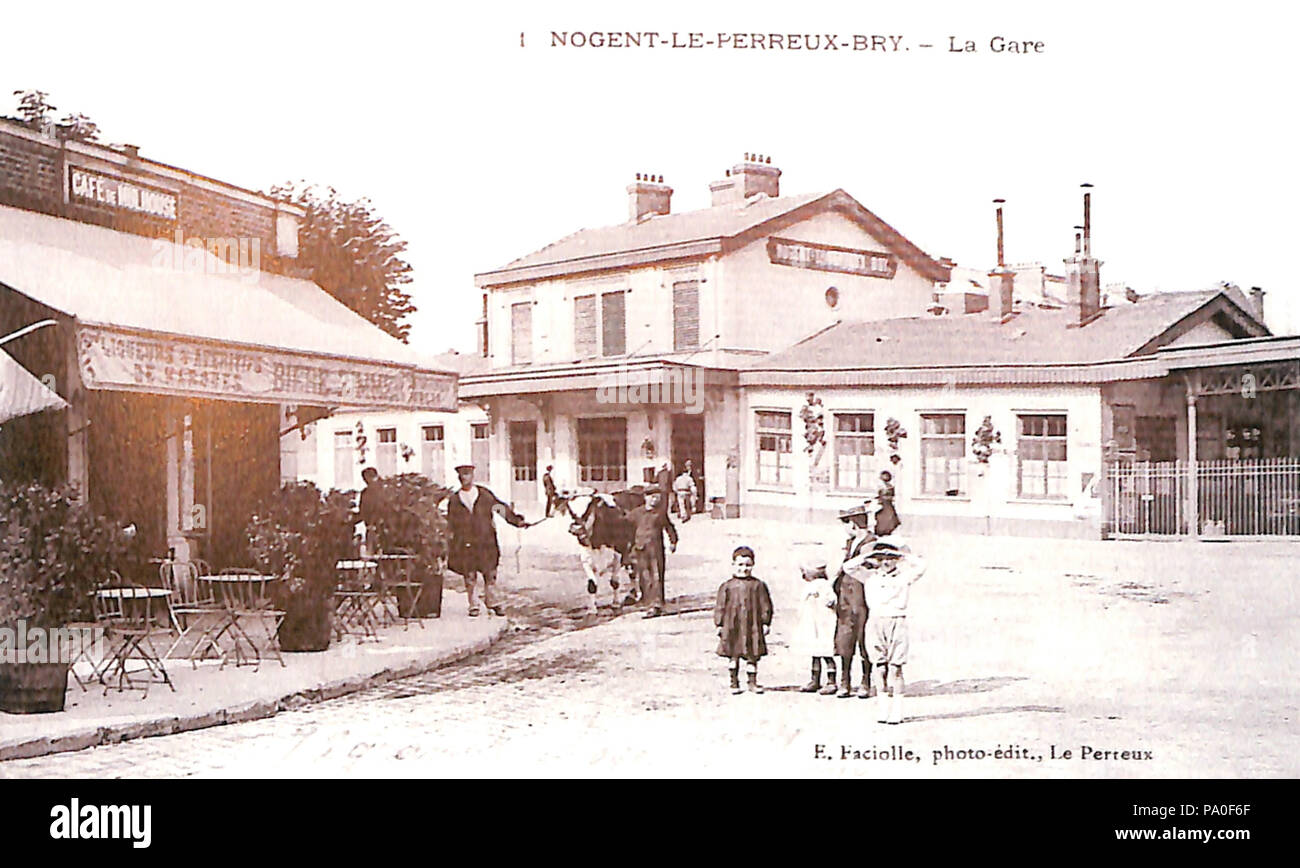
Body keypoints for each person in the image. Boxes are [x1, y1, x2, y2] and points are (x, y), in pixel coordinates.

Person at [444, 464, 528, 617]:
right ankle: (473, 605)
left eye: (467, 474)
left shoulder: (484, 494)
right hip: (466, 543)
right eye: (462, 474)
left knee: (490, 573)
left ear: (472, 475)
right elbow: (450, 523)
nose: (464, 477)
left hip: (486, 540)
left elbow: (500, 509)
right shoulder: (455, 500)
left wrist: (516, 521)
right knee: (469, 575)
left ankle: (492, 602)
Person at [860, 538, 926, 724]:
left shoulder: (904, 577)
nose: (886, 562)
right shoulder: (870, 578)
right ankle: (883, 710)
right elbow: (849, 567)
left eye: (890, 558)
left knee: (896, 668)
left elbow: (922, 566)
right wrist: (869, 555)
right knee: (879, 666)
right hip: (875, 622)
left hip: (897, 621)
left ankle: (897, 711)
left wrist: (902, 554)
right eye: (882, 558)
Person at [714, 546, 773, 695]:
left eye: (748, 565)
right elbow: (720, 606)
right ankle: (734, 682)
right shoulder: (727, 586)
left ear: (753, 565)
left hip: (752, 626)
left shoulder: (758, 585)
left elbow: (766, 605)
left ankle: (752, 682)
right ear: (733, 564)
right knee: (733, 654)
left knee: (752, 654)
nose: (744, 568)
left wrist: (766, 622)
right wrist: (719, 624)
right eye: (740, 565)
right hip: (732, 625)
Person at [833, 504, 876, 698]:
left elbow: (867, 568)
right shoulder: (850, 542)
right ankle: (845, 680)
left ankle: (865, 680)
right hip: (846, 594)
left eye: (845, 522)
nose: (844, 527)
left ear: (853, 523)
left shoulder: (870, 542)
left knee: (863, 636)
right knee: (845, 635)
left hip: (861, 594)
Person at [625, 488, 678, 618]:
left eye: (657, 497)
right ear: (645, 497)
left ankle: (657, 605)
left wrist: (673, 541)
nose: (655, 500)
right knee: (644, 577)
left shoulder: (660, 514)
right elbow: (625, 526)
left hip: (656, 549)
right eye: (652, 497)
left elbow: (669, 527)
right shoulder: (636, 513)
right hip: (640, 548)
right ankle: (648, 603)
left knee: (657, 576)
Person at [793, 556, 838, 695]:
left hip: (822, 623)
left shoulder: (823, 585)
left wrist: (826, 600)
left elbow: (831, 599)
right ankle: (815, 679)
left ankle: (831, 681)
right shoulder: (809, 587)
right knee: (814, 652)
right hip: (811, 622)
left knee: (825, 652)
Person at [874, 470, 900, 536]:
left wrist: (890, 498)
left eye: (887, 476)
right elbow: (877, 495)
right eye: (884, 476)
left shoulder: (890, 486)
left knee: (890, 517)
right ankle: (881, 531)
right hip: (882, 504)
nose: (885, 478)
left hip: (888, 504)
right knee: (881, 517)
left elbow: (892, 495)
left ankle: (888, 530)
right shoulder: (880, 486)